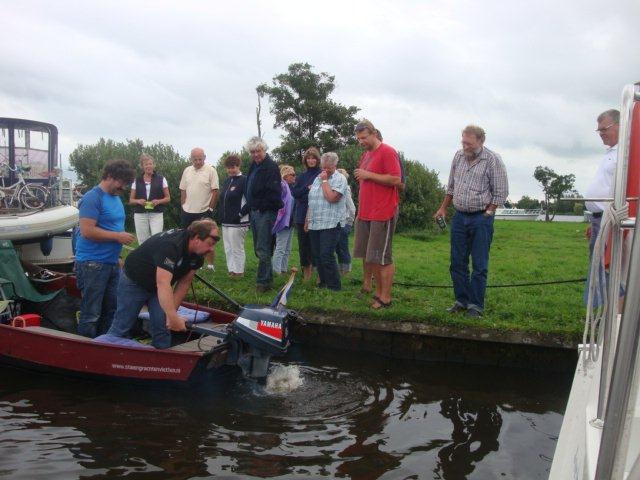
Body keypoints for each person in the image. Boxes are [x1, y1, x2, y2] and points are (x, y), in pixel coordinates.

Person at [107, 219, 219, 349]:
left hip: (158, 287)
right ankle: (106, 355)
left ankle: (162, 358)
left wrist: (172, 316)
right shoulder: (171, 245)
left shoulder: (198, 254)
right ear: (197, 238)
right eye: (210, 244)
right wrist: (173, 317)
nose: (212, 249)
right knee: (122, 325)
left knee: (162, 327)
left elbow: (183, 284)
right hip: (134, 281)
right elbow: (163, 283)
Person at [434, 125, 508, 318]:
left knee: (479, 264)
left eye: (469, 142)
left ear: (480, 141)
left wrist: (489, 212)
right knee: (457, 262)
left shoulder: (493, 160)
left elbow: (501, 192)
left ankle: (476, 305)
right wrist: (443, 208)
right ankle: (461, 300)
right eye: (463, 141)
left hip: (480, 217)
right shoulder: (458, 157)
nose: (465, 145)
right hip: (459, 216)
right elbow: (451, 187)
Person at [75, 159, 136, 338]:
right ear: (110, 176)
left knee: (112, 309)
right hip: (92, 264)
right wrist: (118, 237)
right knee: (91, 313)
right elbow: (87, 231)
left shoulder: (115, 198)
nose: (123, 187)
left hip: (111, 263)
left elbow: (111, 225)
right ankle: (84, 349)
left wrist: (116, 258)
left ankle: (103, 345)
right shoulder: (92, 198)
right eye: (122, 182)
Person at [353, 120, 402, 309]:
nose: (361, 141)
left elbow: (396, 179)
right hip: (365, 212)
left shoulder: (388, 151)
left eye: (364, 138)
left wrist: (368, 175)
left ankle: (385, 297)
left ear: (374, 134)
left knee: (382, 257)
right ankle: (377, 293)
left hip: (383, 212)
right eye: (358, 139)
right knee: (370, 256)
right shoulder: (366, 155)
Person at [240, 137, 283, 292]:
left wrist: (259, 206)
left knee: (263, 248)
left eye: (258, 151)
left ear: (264, 150)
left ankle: (263, 283)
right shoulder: (254, 166)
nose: (256, 154)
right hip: (255, 211)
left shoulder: (271, 167)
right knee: (259, 247)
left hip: (265, 212)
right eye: (252, 152)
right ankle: (267, 279)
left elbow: (273, 193)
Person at [305, 152, 348, 291]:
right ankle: (322, 283)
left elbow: (332, 197)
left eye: (329, 167)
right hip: (315, 222)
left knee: (326, 255)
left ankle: (334, 286)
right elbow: (312, 201)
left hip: (331, 223)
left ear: (335, 165)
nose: (325, 170)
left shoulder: (340, 179)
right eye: (324, 167)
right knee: (317, 255)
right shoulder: (318, 178)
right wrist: (307, 219)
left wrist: (324, 181)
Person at [585, 109, 620, 257]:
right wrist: (595, 219)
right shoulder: (611, 153)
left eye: (604, 129)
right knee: (595, 269)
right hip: (599, 220)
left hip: (612, 222)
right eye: (599, 130)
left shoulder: (626, 153)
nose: (601, 134)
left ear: (620, 125)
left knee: (604, 270)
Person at [179, 147, 219, 269]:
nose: (197, 162)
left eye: (200, 159)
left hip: (204, 211)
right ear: (191, 159)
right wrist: (183, 205)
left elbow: (215, 191)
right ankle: (189, 261)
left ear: (204, 158)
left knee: (207, 238)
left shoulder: (211, 170)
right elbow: (183, 189)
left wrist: (210, 209)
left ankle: (210, 265)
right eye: (195, 159)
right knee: (187, 238)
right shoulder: (187, 170)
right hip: (187, 211)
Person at [291, 147, 322, 281]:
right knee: (303, 246)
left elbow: (321, 194)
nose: (311, 160)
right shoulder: (301, 176)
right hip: (301, 213)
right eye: (308, 158)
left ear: (317, 159)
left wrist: (310, 191)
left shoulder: (322, 174)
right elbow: (295, 193)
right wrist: (307, 189)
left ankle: (320, 275)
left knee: (317, 244)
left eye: (313, 158)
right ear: (305, 160)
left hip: (317, 213)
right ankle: (306, 274)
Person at [219, 155, 249, 277]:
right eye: (229, 168)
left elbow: (250, 201)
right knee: (228, 247)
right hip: (226, 221)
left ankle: (239, 271)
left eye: (233, 167)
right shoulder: (227, 181)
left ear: (238, 166)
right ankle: (231, 270)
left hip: (239, 221)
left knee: (237, 247)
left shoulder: (244, 180)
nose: (231, 170)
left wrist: (240, 214)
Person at [129, 154, 170, 244]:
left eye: (150, 164)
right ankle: (144, 258)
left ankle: (155, 258)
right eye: (146, 164)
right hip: (140, 214)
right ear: (142, 166)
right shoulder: (137, 180)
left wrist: (158, 201)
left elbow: (168, 198)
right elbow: (131, 200)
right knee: (142, 241)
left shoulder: (161, 179)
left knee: (157, 239)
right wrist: (138, 201)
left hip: (156, 214)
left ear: (154, 165)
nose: (148, 166)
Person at [272, 165, 296, 275]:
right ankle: (276, 271)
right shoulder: (282, 186)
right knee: (281, 247)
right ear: (285, 176)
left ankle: (283, 269)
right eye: (293, 174)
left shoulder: (290, 187)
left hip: (290, 222)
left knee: (287, 248)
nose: (295, 176)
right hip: (283, 222)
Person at [336, 168, 356, 275]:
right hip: (336, 222)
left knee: (343, 247)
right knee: (337, 247)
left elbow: (352, 208)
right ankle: (340, 269)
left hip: (344, 223)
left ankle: (346, 269)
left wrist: (349, 223)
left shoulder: (346, 190)